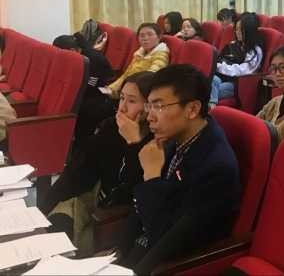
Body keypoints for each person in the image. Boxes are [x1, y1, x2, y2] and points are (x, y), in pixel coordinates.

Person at [118, 65, 240, 274]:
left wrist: (151, 177)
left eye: (159, 106)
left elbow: (166, 241)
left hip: (167, 263)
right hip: (140, 248)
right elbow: (136, 204)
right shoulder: (175, 137)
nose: (150, 116)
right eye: (149, 106)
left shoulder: (217, 168)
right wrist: (117, 254)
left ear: (192, 109)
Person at [41, 72, 155, 255]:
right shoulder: (110, 128)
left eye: (132, 101)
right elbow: (76, 172)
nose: (122, 107)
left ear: (150, 107)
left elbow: (138, 188)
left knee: (72, 249)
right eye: (122, 98)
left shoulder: (157, 142)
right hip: (91, 199)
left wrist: (134, 144)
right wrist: (42, 210)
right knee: (53, 230)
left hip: (119, 215)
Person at [53, 34, 114, 141]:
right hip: (88, 92)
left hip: (101, 95)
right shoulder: (77, 56)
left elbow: (90, 86)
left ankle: (81, 142)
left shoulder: (93, 60)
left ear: (72, 51)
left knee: (79, 108)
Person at [211, 13, 263, 104]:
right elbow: (219, 59)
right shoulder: (233, 44)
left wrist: (220, 67)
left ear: (249, 30)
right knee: (210, 81)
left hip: (237, 83)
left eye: (241, 29)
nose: (237, 32)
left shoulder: (255, 50)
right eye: (236, 29)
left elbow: (243, 71)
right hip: (222, 77)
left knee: (208, 91)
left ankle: (211, 106)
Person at [105, 23, 170, 97]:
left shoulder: (161, 54)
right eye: (142, 35)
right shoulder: (139, 54)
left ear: (159, 37)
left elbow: (151, 76)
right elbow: (126, 74)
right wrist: (112, 88)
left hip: (143, 92)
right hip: (128, 88)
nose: (145, 38)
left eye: (150, 34)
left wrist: (122, 91)